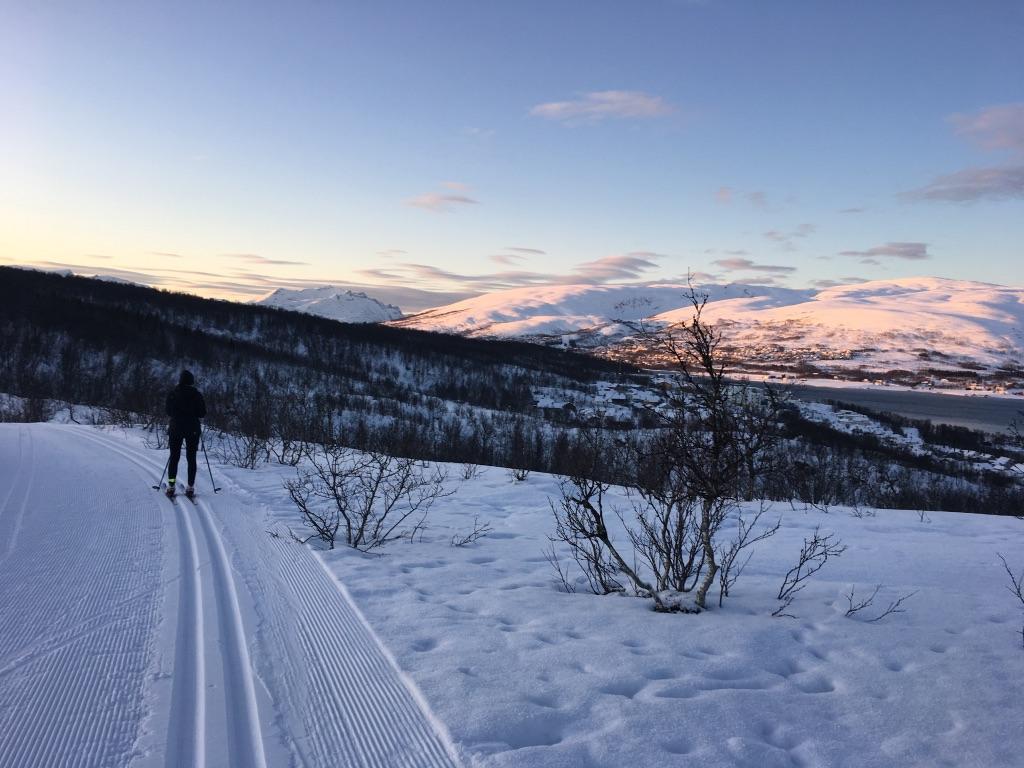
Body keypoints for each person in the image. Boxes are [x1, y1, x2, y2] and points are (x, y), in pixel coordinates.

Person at [166, 370, 207, 498]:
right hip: (192, 430)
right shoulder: (197, 395)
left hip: (175, 429)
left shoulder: (173, 394)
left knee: (174, 457)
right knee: (191, 458)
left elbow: (168, 412)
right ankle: (190, 487)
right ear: (191, 381)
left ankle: (171, 486)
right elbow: (202, 413)